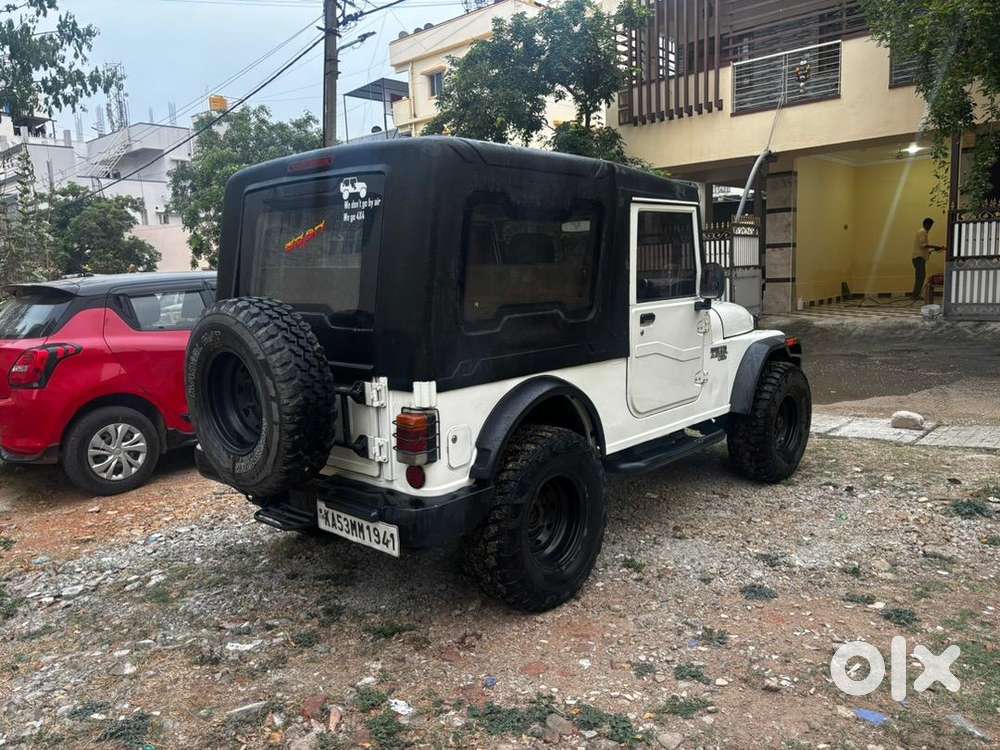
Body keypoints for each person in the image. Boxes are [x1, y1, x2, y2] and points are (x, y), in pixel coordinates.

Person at [912, 217, 942, 300]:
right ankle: (915, 295)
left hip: (919, 258)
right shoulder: (922, 232)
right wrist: (935, 246)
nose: (930, 227)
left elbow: (925, 249)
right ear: (926, 224)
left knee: (920, 276)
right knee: (920, 276)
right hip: (919, 258)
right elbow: (923, 245)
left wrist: (935, 249)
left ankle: (915, 294)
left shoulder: (923, 232)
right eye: (930, 225)